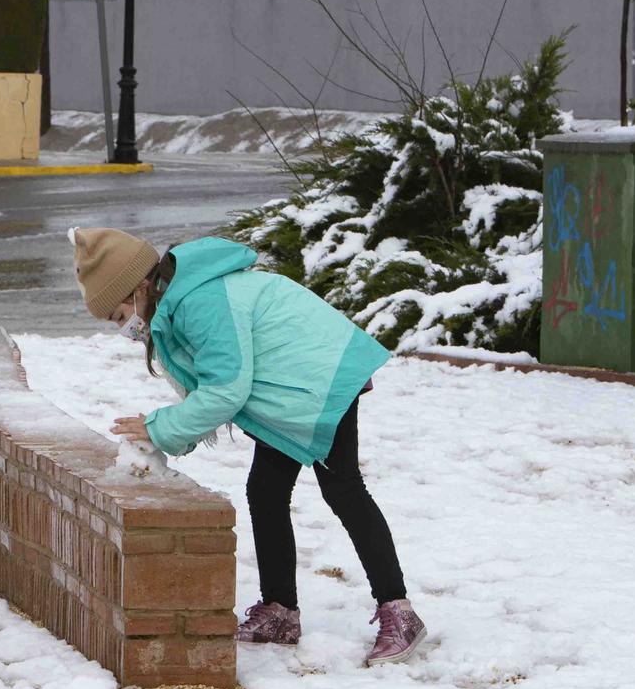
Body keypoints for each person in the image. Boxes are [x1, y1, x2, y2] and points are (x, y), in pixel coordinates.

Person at [71, 227, 428, 665]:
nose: (125, 327)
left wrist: (158, 427)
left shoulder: (199, 302)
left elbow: (225, 392)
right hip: (286, 390)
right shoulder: (177, 305)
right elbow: (208, 390)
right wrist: (161, 439)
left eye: (119, 314)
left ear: (140, 285)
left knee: (343, 489)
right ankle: (280, 611)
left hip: (321, 377)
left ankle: (399, 610)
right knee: (266, 490)